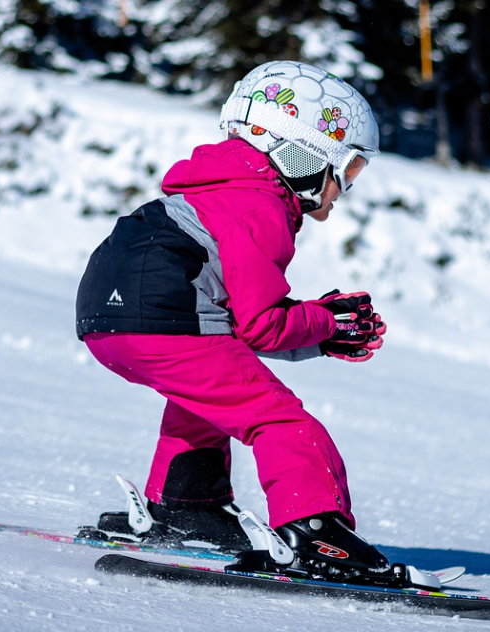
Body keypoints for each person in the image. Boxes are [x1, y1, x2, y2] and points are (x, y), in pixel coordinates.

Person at [75, 60, 391, 580]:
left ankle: (189, 504)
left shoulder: (214, 191)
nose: (344, 189)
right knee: (281, 419)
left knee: (206, 393)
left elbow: (237, 328)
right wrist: (327, 324)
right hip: (162, 316)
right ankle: (314, 534)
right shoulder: (259, 204)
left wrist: (316, 329)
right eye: (349, 169)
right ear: (303, 153)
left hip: (107, 320)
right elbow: (261, 325)